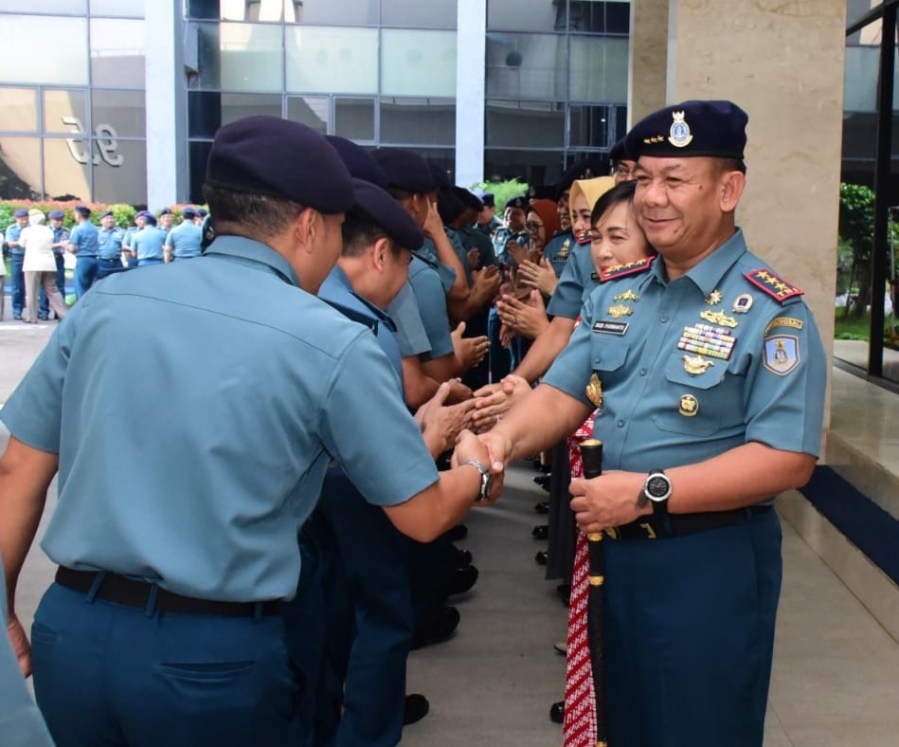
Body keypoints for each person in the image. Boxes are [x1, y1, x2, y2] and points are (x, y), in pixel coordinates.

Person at [0, 115, 500, 747]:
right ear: (309, 225)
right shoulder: (331, 339)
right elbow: (422, 515)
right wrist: (478, 466)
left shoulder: (108, 303)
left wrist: (5, 611)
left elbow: (19, 468)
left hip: (71, 635)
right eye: (339, 229)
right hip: (210, 656)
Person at [479, 100, 827, 747]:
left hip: (709, 561)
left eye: (674, 179)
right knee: (624, 724)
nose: (652, 198)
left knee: (699, 727)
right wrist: (498, 440)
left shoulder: (771, 312)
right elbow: (562, 393)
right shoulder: (617, 294)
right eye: (642, 179)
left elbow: (787, 457)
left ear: (728, 189)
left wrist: (647, 492)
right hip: (616, 556)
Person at [21, 210, 67, 323]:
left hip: (32, 264)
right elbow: (51, 244)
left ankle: (32, 317)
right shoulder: (48, 231)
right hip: (49, 263)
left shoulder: (27, 231)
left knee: (32, 292)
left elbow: (22, 244)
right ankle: (64, 315)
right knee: (53, 290)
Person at [65, 205, 100, 299]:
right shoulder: (95, 229)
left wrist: (65, 246)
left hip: (83, 259)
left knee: (80, 288)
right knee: (90, 288)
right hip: (94, 260)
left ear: (78, 215)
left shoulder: (78, 229)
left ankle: (81, 308)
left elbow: (72, 248)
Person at [4, 207, 30, 320]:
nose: (24, 222)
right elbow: (10, 244)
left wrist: (18, 243)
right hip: (17, 257)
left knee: (32, 285)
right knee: (17, 286)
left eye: (26, 219)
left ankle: (37, 310)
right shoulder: (11, 229)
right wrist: (23, 242)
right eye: (21, 219)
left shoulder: (32, 228)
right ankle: (17, 310)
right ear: (16, 219)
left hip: (30, 256)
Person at [95, 210, 126, 282]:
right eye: (107, 218)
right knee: (101, 283)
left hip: (117, 263)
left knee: (118, 283)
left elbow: (125, 246)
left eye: (111, 218)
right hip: (102, 263)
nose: (110, 220)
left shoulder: (121, 232)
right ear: (101, 221)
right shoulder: (97, 232)